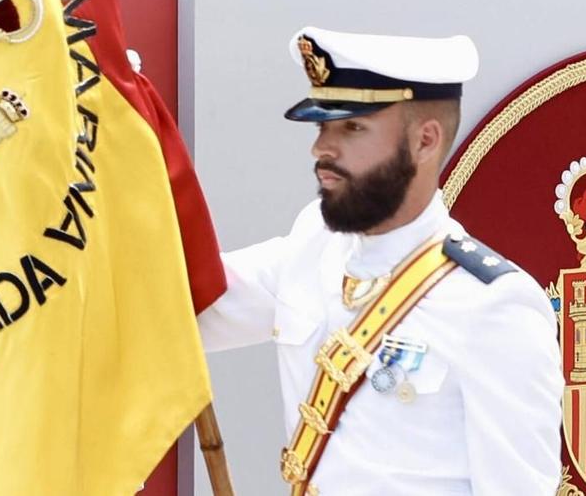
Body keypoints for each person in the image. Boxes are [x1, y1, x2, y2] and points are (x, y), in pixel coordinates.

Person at [198, 27, 562, 493]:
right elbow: (188, 309)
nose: (321, 149)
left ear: (425, 142)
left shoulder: (495, 307)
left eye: (352, 127)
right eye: (321, 126)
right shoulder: (314, 244)